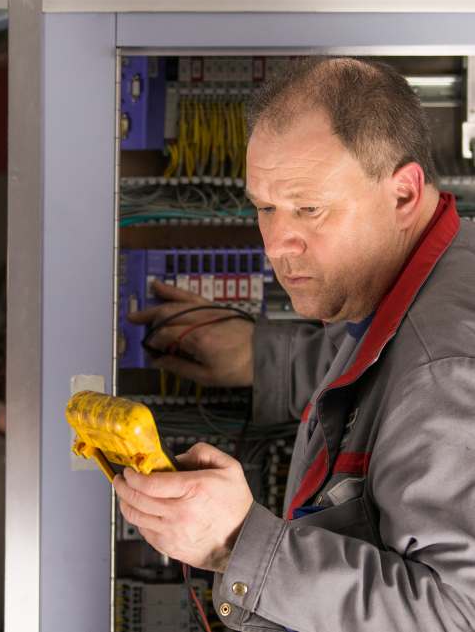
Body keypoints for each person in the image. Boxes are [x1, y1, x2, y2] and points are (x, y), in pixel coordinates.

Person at [113, 56, 475, 631]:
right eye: (265, 208)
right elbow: (383, 387)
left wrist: (237, 544)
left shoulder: (447, 366)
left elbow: (454, 616)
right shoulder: (427, 286)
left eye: (309, 209)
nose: (278, 245)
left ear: (403, 195)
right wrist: (264, 362)